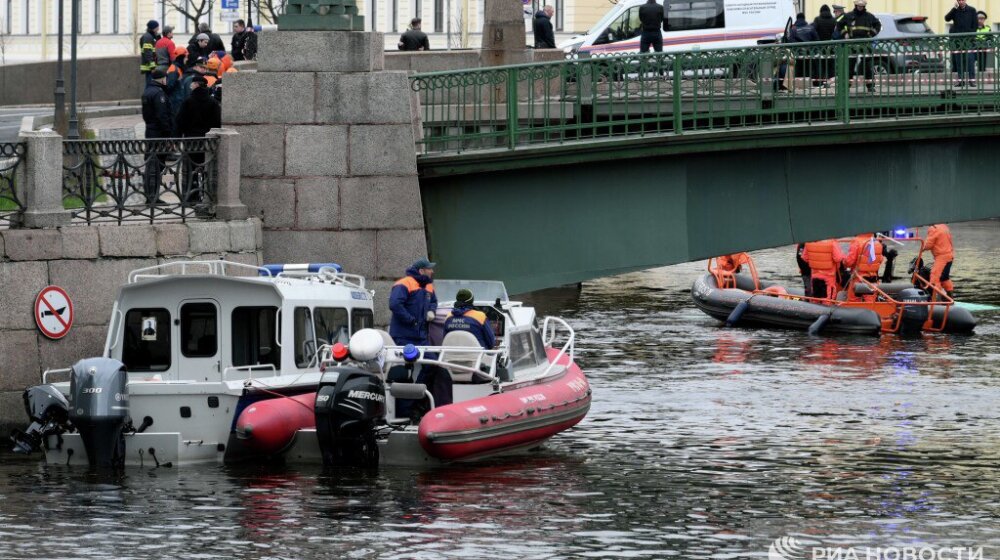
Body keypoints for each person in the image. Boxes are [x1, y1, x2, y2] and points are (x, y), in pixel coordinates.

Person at [175, 75, 221, 206]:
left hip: (191, 141)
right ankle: (208, 197)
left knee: (190, 171)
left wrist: (176, 140)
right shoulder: (212, 103)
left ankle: (190, 198)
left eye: (192, 83)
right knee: (208, 170)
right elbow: (217, 123)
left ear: (196, 85)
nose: (190, 85)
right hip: (207, 142)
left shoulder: (188, 101)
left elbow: (179, 122)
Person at [389, 258, 438, 346]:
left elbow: (433, 301)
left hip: (421, 337)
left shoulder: (428, 285)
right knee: (409, 359)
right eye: (429, 269)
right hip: (404, 337)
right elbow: (395, 304)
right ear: (422, 271)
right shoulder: (404, 283)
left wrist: (432, 310)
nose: (432, 271)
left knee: (432, 359)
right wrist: (411, 321)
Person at [141, 68, 173, 203]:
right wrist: (168, 135)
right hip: (159, 133)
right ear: (162, 78)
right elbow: (162, 116)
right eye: (165, 77)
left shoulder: (147, 91)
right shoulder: (159, 93)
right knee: (157, 164)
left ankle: (149, 195)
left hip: (150, 131)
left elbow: (145, 115)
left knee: (151, 163)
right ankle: (153, 196)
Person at [836, 0, 881, 92]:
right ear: (855, 5)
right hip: (852, 43)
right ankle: (846, 86)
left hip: (865, 43)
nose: (860, 7)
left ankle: (870, 86)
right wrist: (845, 34)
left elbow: (878, 25)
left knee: (867, 65)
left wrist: (871, 34)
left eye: (862, 6)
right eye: (858, 6)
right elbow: (839, 25)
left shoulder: (869, 16)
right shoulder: (848, 15)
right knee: (850, 65)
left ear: (864, 6)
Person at [946, 0, 979, 87]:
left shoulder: (972, 10)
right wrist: (954, 8)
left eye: (963, 0)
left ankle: (972, 80)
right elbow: (947, 18)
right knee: (959, 61)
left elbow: (975, 25)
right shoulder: (955, 10)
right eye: (959, 0)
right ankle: (961, 81)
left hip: (969, 41)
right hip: (958, 41)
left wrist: (970, 36)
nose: (961, 2)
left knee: (970, 60)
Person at [845, 233, 884, 301]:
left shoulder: (856, 241)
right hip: (873, 278)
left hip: (858, 278)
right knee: (870, 303)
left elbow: (849, 262)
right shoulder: (877, 242)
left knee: (853, 302)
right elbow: (880, 260)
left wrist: (844, 262)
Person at [924, 224, 955, 296]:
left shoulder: (933, 228)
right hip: (949, 255)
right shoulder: (944, 227)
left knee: (934, 277)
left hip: (941, 257)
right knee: (944, 278)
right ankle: (950, 297)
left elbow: (929, 244)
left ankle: (936, 300)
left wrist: (922, 248)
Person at [139, 20, 160, 84]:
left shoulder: (151, 36)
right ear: (153, 28)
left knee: (151, 85)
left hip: (150, 66)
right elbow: (148, 53)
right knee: (150, 85)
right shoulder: (148, 37)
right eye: (157, 28)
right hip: (149, 67)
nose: (158, 29)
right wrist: (152, 67)